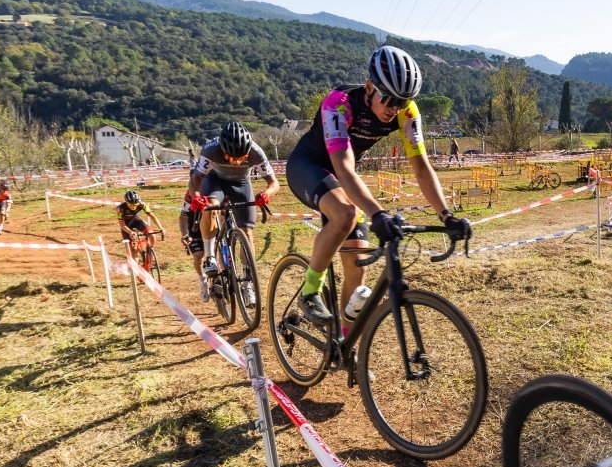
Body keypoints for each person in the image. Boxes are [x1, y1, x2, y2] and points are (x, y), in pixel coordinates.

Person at [285, 45, 471, 327]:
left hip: (340, 176)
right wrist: (377, 213)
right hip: (309, 166)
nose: (394, 108)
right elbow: (344, 167)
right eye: (389, 99)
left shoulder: (406, 112)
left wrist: (447, 215)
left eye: (402, 101)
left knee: (358, 268)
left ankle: (345, 348)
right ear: (370, 86)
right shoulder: (340, 103)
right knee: (346, 213)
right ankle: (310, 290)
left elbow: (421, 167)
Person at [188, 121, 280, 305]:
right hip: (215, 181)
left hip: (241, 184)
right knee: (211, 206)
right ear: (223, 150)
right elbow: (197, 177)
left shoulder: (256, 152)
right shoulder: (210, 149)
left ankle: (248, 281)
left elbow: (274, 183)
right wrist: (196, 196)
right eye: (231, 157)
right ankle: (209, 257)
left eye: (241, 157)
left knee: (246, 232)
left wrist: (266, 194)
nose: (236, 162)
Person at [116, 190, 165, 261]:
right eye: (130, 205)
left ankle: (150, 252)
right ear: (126, 203)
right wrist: (130, 232)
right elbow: (121, 224)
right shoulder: (120, 208)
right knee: (134, 254)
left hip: (136, 220)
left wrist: (161, 228)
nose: (133, 207)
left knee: (152, 236)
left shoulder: (142, 204)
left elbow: (152, 216)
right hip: (126, 225)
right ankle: (137, 268)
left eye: (135, 205)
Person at [178, 189, 209, 290]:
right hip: (195, 226)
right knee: (198, 256)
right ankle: (203, 280)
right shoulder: (189, 195)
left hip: (211, 224)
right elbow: (183, 216)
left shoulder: (214, 187)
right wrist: (185, 234)